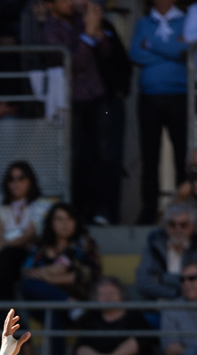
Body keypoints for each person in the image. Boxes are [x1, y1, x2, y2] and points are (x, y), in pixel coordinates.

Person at [42, 0, 131, 226]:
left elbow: (107, 51)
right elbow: (73, 63)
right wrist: (89, 34)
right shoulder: (49, 30)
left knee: (106, 156)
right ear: (50, 5)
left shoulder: (83, 21)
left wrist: (98, 30)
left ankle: (106, 212)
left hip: (100, 99)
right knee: (78, 158)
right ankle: (79, 212)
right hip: (72, 103)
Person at [129, 0, 187, 226]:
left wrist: (151, 45)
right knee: (150, 157)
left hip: (179, 96)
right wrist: (171, 50)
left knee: (182, 156)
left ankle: (183, 210)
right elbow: (135, 54)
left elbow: (184, 51)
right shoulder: (143, 23)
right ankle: (149, 210)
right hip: (149, 98)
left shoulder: (186, 20)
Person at [21, 202, 100, 355]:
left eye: (69, 219)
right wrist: (54, 271)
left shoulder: (83, 243)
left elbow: (85, 275)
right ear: (51, 223)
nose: (65, 224)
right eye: (59, 219)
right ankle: (69, 304)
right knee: (27, 285)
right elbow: (26, 271)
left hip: (78, 300)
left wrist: (48, 277)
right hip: (48, 302)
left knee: (53, 311)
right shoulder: (41, 244)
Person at [70, 276, 159, 355]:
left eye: (112, 293)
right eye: (103, 294)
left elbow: (141, 341)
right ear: (96, 298)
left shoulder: (133, 315)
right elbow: (81, 348)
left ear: (121, 295)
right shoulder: (91, 317)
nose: (108, 297)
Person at [0, 161, 51, 300]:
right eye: (11, 179)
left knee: (6, 256)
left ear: (30, 181)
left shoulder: (42, 205)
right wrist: (2, 246)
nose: (16, 183)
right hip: (4, 259)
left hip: (29, 257)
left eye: (21, 178)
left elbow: (28, 236)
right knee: (5, 264)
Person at [136, 203, 197, 302]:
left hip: (191, 308)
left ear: (192, 227)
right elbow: (143, 283)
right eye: (172, 224)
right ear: (165, 226)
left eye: (183, 225)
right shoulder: (153, 247)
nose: (177, 229)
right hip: (157, 310)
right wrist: (176, 293)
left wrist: (162, 278)